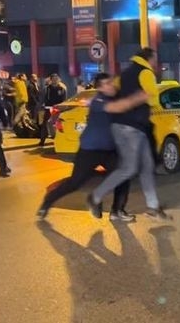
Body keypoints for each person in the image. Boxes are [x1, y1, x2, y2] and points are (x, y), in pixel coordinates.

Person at [37, 73, 148, 221]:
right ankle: (47, 202)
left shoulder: (114, 97)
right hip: (90, 149)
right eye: (107, 84)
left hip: (109, 150)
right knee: (75, 183)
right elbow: (116, 108)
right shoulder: (98, 101)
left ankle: (117, 211)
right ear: (100, 88)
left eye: (111, 82)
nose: (111, 85)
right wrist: (137, 98)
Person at [87, 48, 171, 221]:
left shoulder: (123, 74)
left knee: (146, 167)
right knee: (129, 168)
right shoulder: (146, 73)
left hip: (127, 126)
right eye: (154, 59)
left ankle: (153, 207)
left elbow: (113, 92)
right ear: (149, 58)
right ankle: (95, 196)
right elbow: (153, 98)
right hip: (131, 127)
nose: (155, 62)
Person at [39, 74, 67, 146]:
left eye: (56, 78)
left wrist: (63, 109)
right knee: (45, 125)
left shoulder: (62, 89)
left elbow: (64, 100)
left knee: (58, 125)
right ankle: (42, 140)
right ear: (51, 80)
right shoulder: (47, 89)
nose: (55, 80)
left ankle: (58, 139)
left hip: (58, 109)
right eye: (53, 79)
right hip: (48, 108)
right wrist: (40, 107)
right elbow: (42, 99)